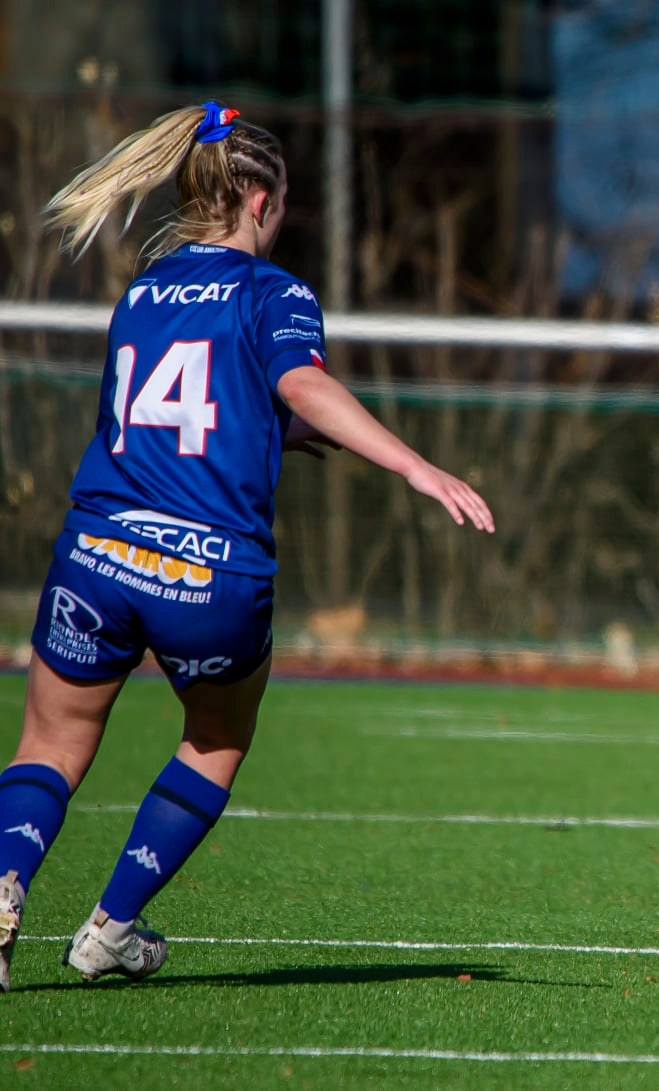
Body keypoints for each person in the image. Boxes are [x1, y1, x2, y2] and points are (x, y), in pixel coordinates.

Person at [0, 103, 495, 992]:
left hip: (100, 552)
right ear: (260, 199)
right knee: (216, 740)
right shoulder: (275, 292)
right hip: (207, 571)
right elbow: (299, 379)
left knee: (48, 744)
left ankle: (6, 880)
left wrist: (270, 430)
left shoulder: (141, 293)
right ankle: (110, 925)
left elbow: (158, 418)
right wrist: (415, 465)